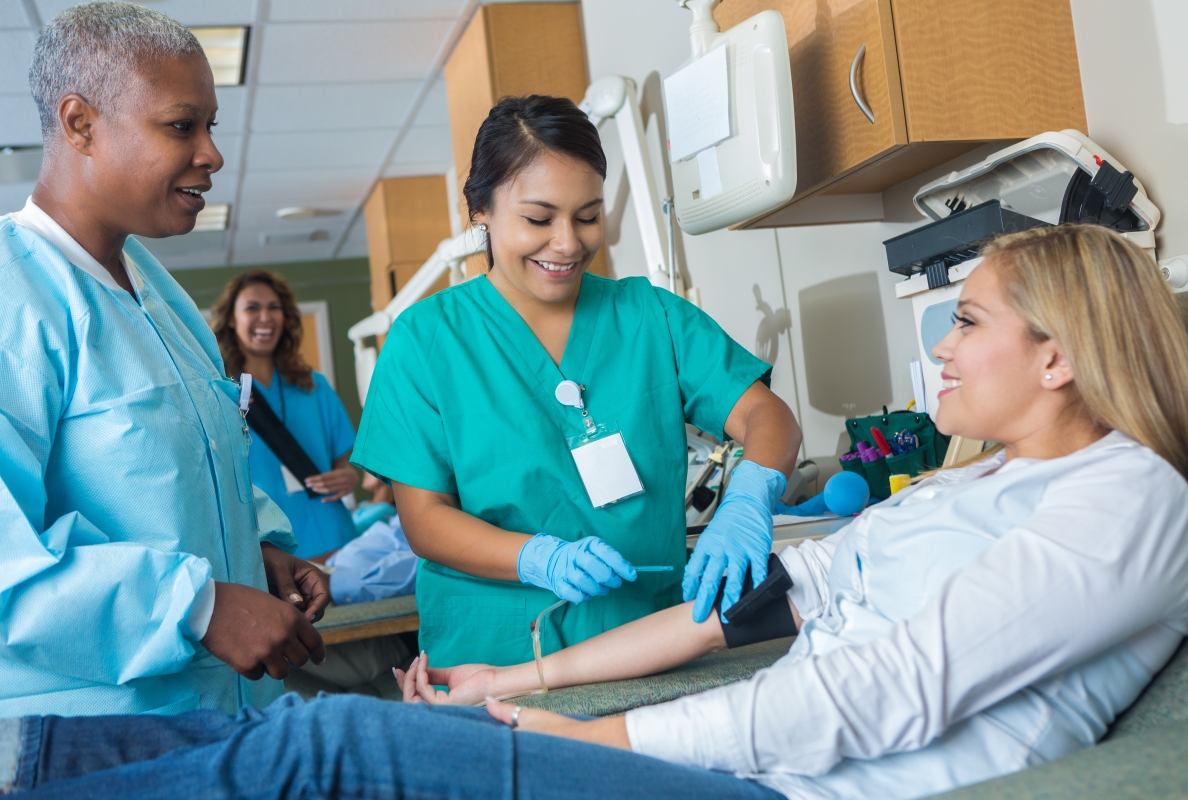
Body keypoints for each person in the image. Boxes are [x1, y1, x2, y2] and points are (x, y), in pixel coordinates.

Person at [381, 224, 1188, 798]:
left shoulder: (1131, 497)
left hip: (821, 783)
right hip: (762, 766)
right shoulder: (966, 484)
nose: (941, 346)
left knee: (346, 748)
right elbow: (755, 600)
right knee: (389, 748)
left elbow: (897, 687)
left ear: (1059, 357)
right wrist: (518, 679)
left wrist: (593, 744)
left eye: (966, 321)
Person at [352, 94, 803, 668]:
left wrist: (749, 496)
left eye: (588, 216)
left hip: (649, 641)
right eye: (539, 219)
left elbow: (767, 417)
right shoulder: (425, 340)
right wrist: (537, 558)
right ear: (481, 211)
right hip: (494, 656)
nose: (568, 243)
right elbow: (424, 519)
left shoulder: (651, 317)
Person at [0, 2, 328, 718]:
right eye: (181, 126)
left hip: (208, 717)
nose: (212, 154)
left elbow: (191, 469)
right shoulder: (7, 297)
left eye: (211, 126)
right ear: (80, 123)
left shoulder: (161, 295)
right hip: (87, 738)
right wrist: (198, 605)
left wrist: (256, 549)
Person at [211, 270, 361, 558]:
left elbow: (343, 466)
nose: (265, 317)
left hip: (334, 535)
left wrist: (348, 478)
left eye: (274, 307)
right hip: (269, 546)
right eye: (252, 307)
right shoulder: (220, 395)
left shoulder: (313, 386)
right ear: (231, 318)